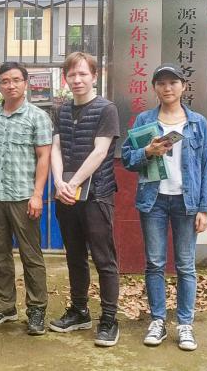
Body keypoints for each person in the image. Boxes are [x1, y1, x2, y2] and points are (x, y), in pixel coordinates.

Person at [121, 63, 207, 352]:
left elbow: (206, 166)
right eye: (161, 83)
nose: (167, 88)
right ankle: (158, 320)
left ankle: (185, 324)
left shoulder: (197, 122)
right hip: (154, 201)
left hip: (187, 202)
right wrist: (147, 151)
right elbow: (127, 158)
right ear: (154, 88)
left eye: (173, 82)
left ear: (183, 87)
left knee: (186, 264)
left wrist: (205, 207)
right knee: (155, 263)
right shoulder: (145, 120)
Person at [0, 61, 53, 335]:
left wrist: (37, 195)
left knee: (31, 256)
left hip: (23, 197)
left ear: (26, 83)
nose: (11, 85)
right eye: (5, 81)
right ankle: (5, 306)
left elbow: (44, 158)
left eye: (16, 80)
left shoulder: (38, 117)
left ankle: (37, 309)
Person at [48, 52, 121, 347]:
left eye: (83, 74)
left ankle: (109, 318)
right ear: (65, 78)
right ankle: (79, 311)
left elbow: (100, 151)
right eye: (72, 75)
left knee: (104, 259)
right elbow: (56, 147)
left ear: (94, 76)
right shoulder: (62, 110)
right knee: (74, 255)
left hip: (96, 195)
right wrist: (58, 182)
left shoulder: (106, 109)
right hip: (66, 195)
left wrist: (73, 183)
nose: (77, 80)